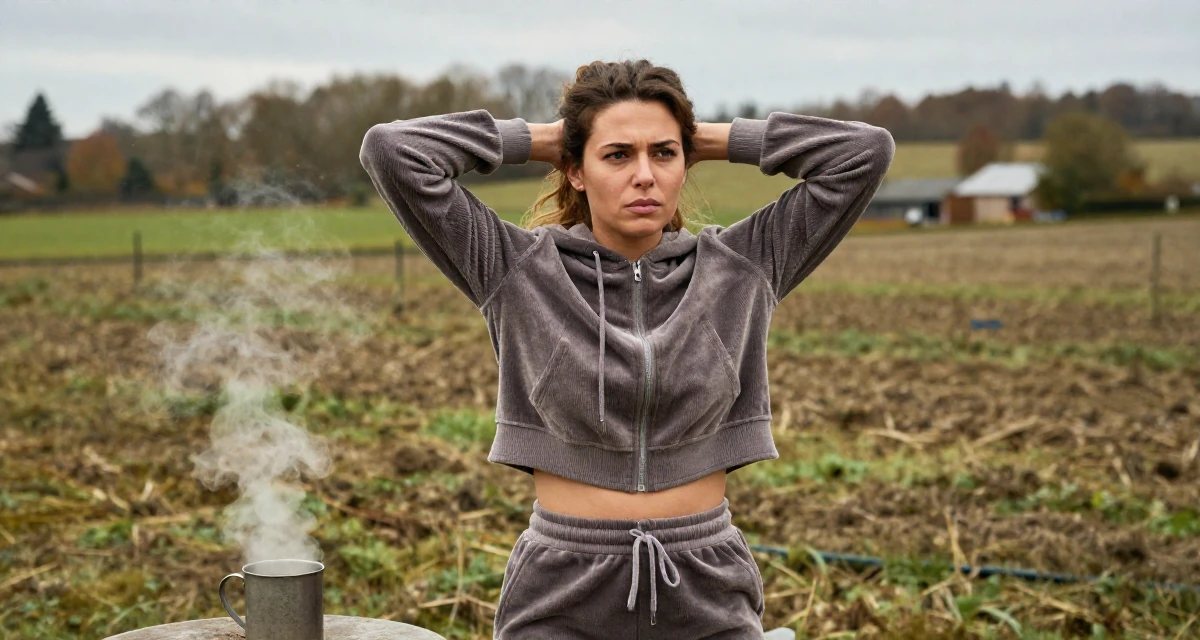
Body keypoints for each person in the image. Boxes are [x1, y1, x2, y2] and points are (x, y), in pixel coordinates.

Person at [359, 59, 894, 639]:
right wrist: (542, 139)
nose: (645, 175)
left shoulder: (746, 265)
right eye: (617, 155)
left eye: (663, 155)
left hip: (705, 583)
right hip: (563, 586)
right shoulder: (517, 270)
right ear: (575, 172)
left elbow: (863, 153)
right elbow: (393, 151)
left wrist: (713, 139)